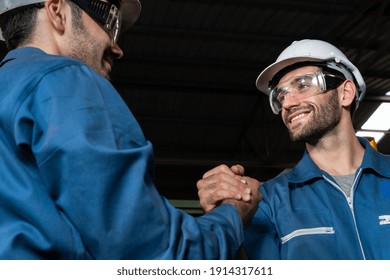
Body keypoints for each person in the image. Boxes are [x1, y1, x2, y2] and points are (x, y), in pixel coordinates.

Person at [0, 0, 261, 259]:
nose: (117, 48)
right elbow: (151, 252)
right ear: (57, 11)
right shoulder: (65, 80)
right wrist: (232, 215)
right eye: (109, 22)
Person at [197, 39, 390, 259]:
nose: (287, 103)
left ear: (345, 93)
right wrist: (225, 226)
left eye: (303, 85)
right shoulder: (270, 200)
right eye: (281, 95)